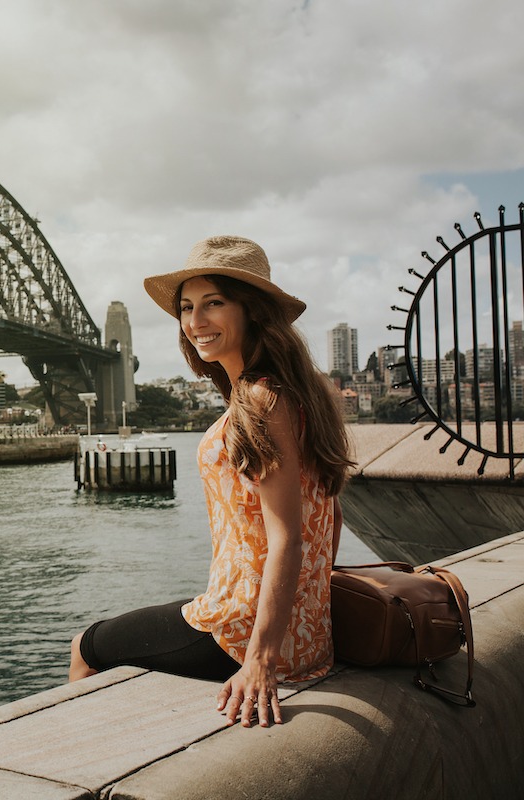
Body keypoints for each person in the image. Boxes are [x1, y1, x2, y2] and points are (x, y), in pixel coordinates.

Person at [68, 235, 354, 728]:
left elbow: (288, 537)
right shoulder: (292, 395)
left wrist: (260, 661)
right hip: (306, 636)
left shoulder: (262, 402)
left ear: (253, 311)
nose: (195, 321)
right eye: (186, 308)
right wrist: (309, 612)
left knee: (86, 645)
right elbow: (330, 515)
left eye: (213, 304)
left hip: (240, 632)